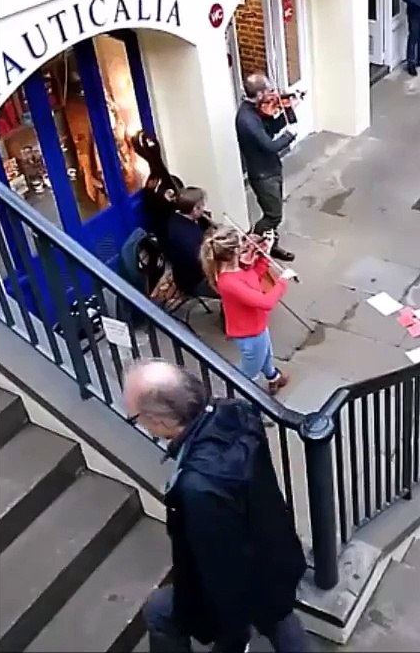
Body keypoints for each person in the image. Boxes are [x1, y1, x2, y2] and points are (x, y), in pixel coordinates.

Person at [126, 361, 311, 653]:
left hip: (238, 580)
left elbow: (220, 571)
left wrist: (231, 632)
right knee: (278, 612)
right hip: (274, 552)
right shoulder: (236, 413)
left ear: (158, 422)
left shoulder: (197, 487)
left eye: (135, 417)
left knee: (159, 611)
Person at [201, 226, 295, 395]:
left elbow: (253, 276)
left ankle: (274, 377)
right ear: (234, 251)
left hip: (258, 326)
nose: (247, 243)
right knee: (247, 374)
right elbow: (266, 302)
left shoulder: (238, 270)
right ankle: (243, 402)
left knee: (266, 355)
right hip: (250, 335)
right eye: (242, 242)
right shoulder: (230, 283)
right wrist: (282, 281)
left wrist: (265, 255)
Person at [234, 72, 296, 263]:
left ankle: (271, 245)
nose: (272, 93)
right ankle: (251, 243)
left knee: (273, 210)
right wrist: (289, 136)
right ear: (259, 94)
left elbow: (271, 128)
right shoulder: (247, 119)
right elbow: (269, 145)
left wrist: (289, 110)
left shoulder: (256, 110)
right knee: (273, 215)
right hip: (263, 175)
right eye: (268, 90)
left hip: (271, 169)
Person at [164, 187, 219, 300]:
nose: (204, 209)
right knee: (230, 289)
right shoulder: (183, 235)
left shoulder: (185, 217)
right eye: (202, 206)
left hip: (199, 269)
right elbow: (201, 261)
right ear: (195, 209)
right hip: (194, 280)